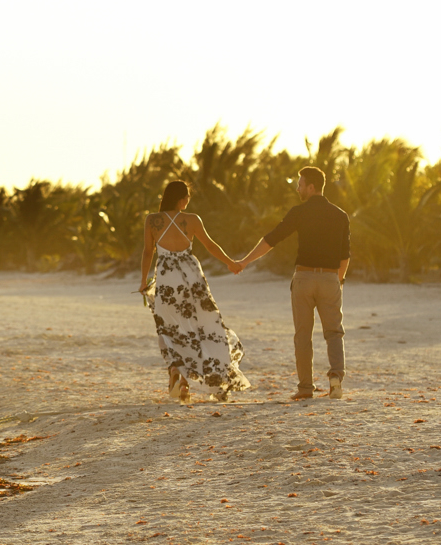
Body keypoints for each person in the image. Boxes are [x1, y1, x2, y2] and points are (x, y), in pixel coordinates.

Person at [237, 165, 350, 400]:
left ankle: (305, 388)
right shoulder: (340, 215)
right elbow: (345, 255)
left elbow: (272, 239)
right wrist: (337, 281)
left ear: (311, 187)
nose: (298, 188)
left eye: (300, 184)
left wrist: (245, 261)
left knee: (303, 335)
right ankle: (336, 378)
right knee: (334, 333)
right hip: (330, 278)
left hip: (304, 278)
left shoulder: (299, 212)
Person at [138, 180, 251, 402]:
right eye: (187, 196)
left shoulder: (152, 220)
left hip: (167, 278)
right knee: (205, 325)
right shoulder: (191, 220)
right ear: (181, 199)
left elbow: (147, 252)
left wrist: (143, 281)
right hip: (191, 278)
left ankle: (176, 372)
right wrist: (230, 263)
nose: (189, 200)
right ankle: (214, 379)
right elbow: (210, 246)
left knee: (168, 327)